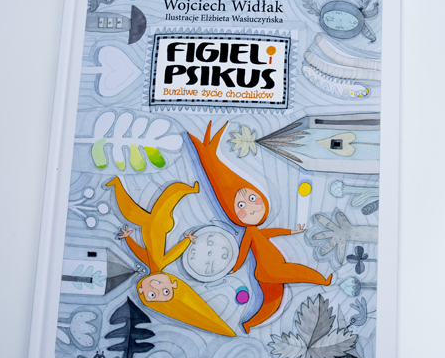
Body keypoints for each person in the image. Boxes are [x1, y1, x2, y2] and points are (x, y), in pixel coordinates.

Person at [189, 122, 332, 333]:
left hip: (269, 271)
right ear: (232, 212)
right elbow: (243, 251)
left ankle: (249, 323)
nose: (250, 207)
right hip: (271, 269)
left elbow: (272, 233)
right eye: (240, 205)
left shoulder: (257, 232)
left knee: (273, 301)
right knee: (294, 273)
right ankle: (321, 280)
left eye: (251, 198)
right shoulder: (249, 233)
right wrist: (235, 267)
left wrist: (292, 231)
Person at [106, 176, 235, 337]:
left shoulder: (150, 262)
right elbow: (174, 253)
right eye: (165, 291)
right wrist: (186, 241)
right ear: (174, 284)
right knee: (165, 202)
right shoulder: (160, 262)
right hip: (158, 225)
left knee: (136, 210)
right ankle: (186, 190)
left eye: (152, 294)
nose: (156, 286)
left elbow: (139, 251)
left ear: (141, 291)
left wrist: (127, 238)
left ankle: (118, 185)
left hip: (150, 225)